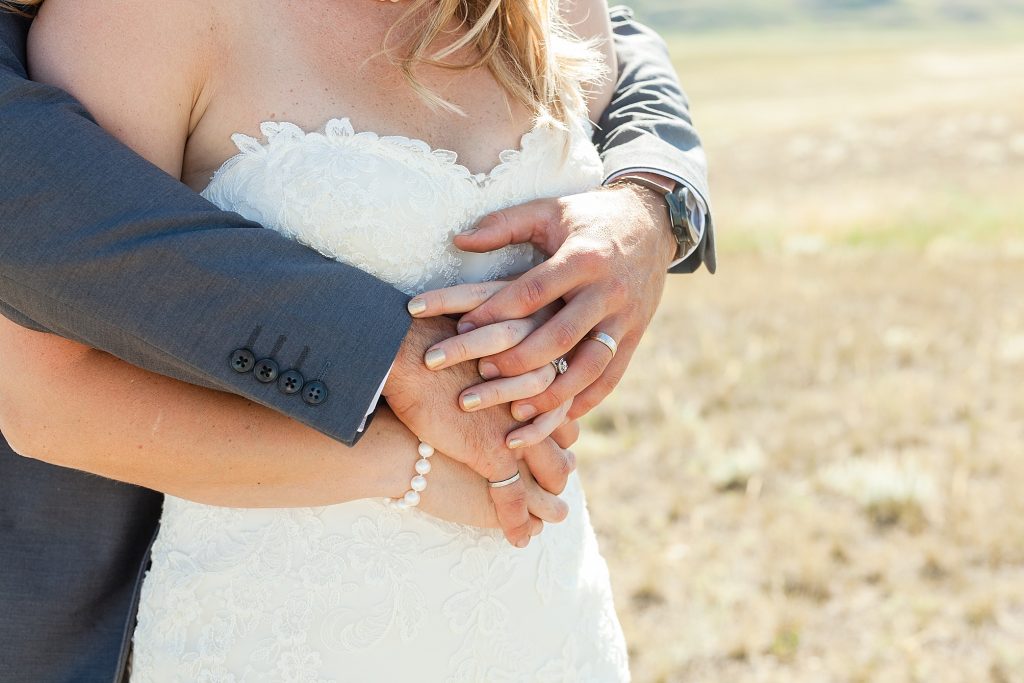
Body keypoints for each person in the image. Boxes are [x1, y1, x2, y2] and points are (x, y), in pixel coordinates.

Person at [0, 0, 714, 680]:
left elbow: (624, 64)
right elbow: (48, 398)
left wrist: (648, 202)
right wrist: (404, 465)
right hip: (274, 633)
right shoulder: (142, 21)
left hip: (545, 619)